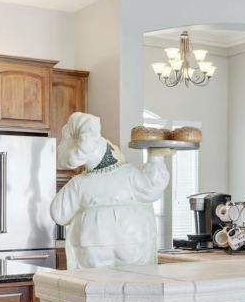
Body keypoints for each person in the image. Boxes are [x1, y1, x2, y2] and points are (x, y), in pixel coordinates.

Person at [50, 112, 170, 269]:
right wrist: (156, 157)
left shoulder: (78, 184)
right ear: (112, 150)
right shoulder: (129, 175)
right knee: (133, 286)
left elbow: (58, 213)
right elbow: (153, 186)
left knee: (95, 289)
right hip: (133, 244)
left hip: (91, 251)